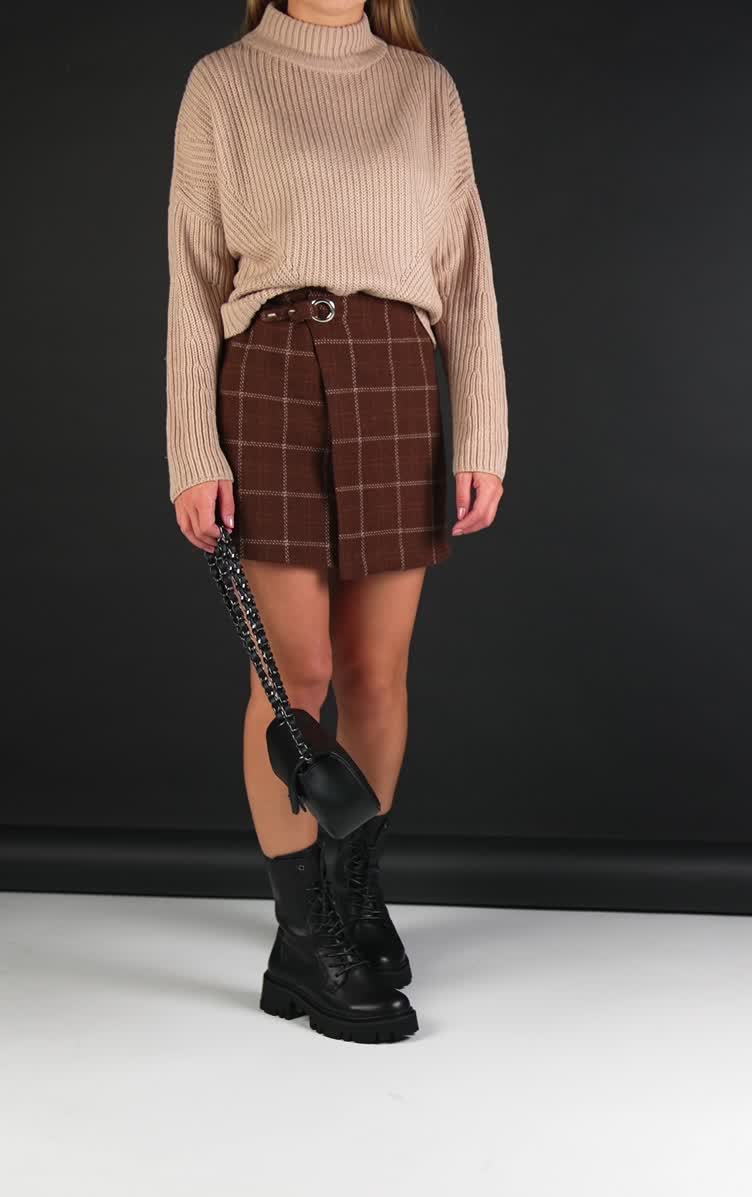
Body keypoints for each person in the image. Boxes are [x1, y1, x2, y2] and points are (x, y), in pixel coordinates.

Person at [164, 0, 508, 1043]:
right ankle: (306, 930)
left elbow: (466, 275)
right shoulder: (224, 81)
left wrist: (482, 433)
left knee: (376, 675)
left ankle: (352, 901)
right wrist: (191, 446)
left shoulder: (423, 89)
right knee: (295, 676)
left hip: (398, 377)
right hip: (268, 371)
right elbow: (190, 275)